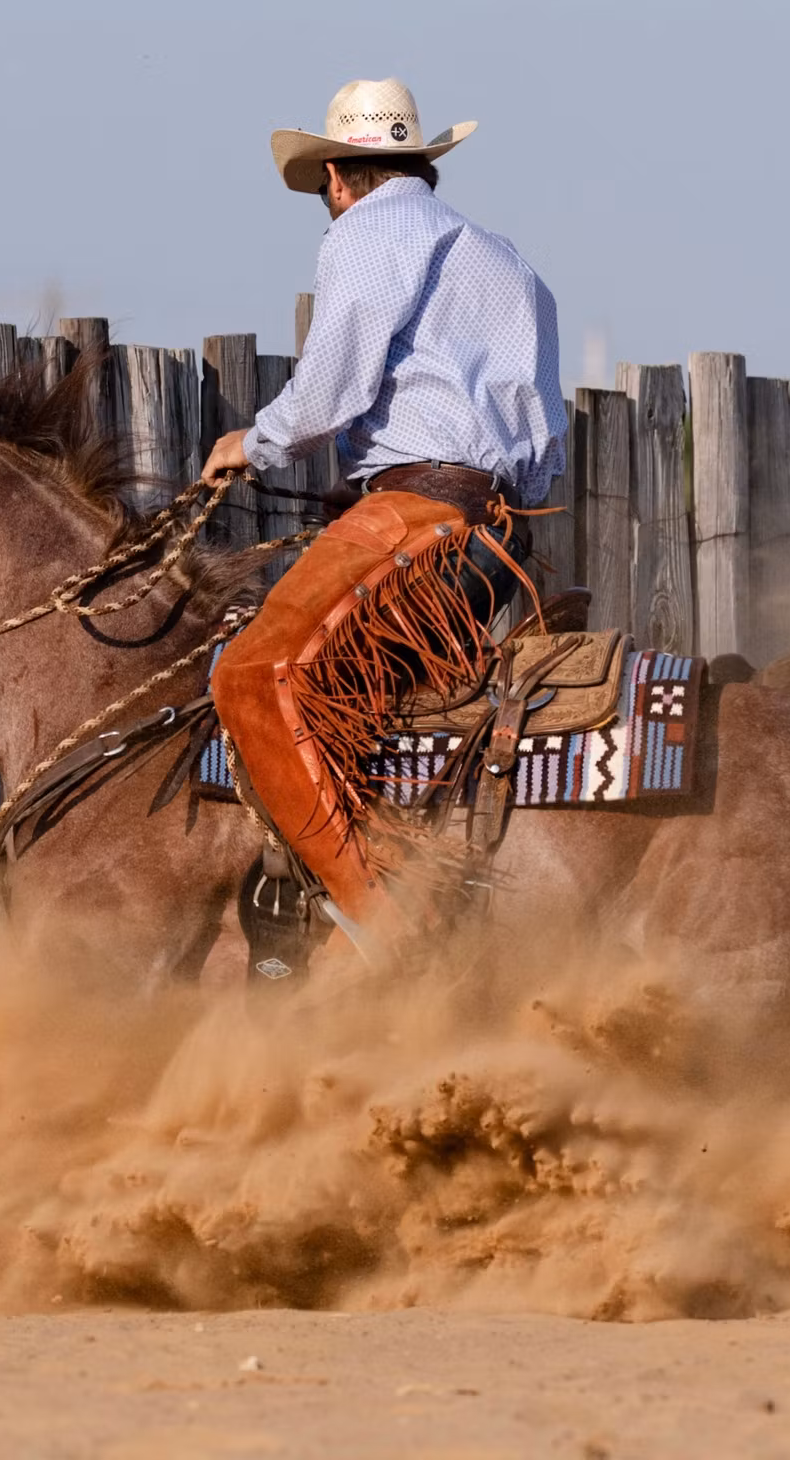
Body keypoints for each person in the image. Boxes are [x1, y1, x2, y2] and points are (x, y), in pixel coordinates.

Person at [200, 76, 567, 949]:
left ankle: (386, 928)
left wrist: (253, 443)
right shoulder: (502, 258)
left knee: (251, 676)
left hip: (421, 516)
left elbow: (331, 388)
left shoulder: (367, 232)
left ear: (335, 178)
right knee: (368, 702)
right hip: (500, 531)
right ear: (421, 164)